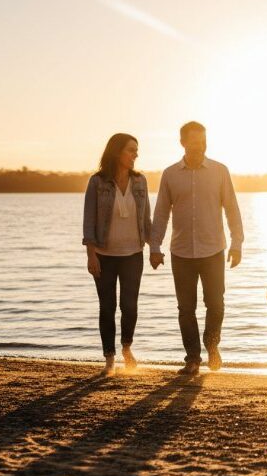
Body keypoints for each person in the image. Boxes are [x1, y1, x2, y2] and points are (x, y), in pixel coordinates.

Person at [149, 121, 244, 375]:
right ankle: (192, 358)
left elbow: (232, 209)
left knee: (216, 304)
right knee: (185, 308)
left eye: (203, 142)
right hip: (181, 252)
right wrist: (155, 246)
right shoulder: (170, 174)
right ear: (183, 143)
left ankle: (212, 346)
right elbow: (160, 214)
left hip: (214, 250)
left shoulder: (220, 171)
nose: (199, 146)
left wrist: (237, 243)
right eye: (194, 142)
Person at [82, 133, 152, 375]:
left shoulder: (141, 181)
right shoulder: (97, 182)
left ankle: (127, 348)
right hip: (103, 254)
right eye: (131, 150)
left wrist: (155, 248)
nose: (135, 155)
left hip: (133, 253)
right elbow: (89, 221)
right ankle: (109, 359)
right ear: (117, 152)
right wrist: (91, 255)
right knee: (107, 307)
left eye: (136, 150)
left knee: (129, 306)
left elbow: (146, 220)